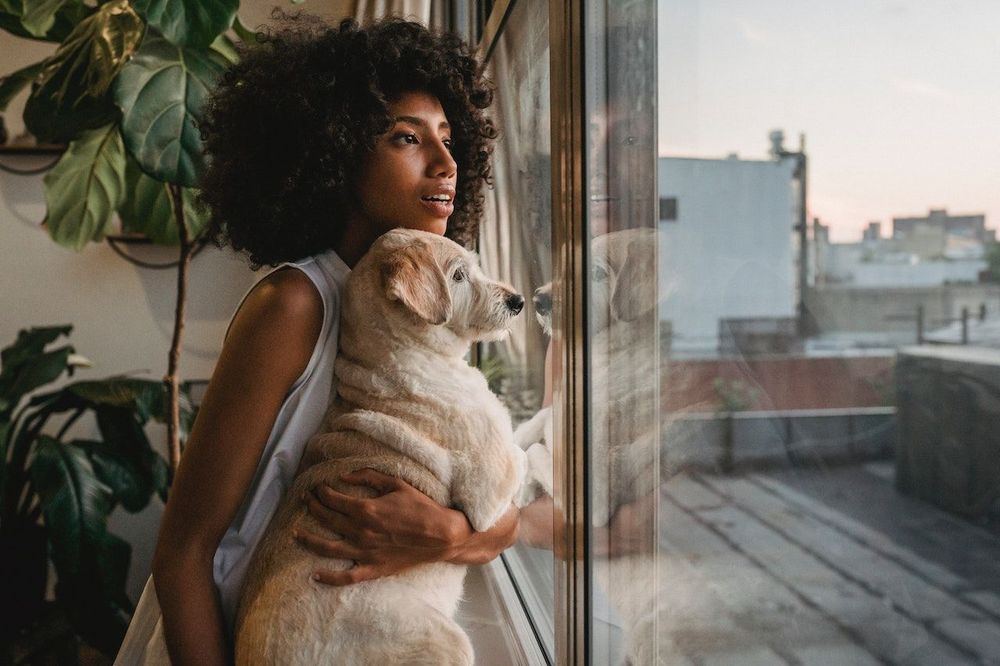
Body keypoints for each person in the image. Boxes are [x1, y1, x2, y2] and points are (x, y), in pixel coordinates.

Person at [114, 15, 518, 665]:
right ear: (336, 151)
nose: (446, 163)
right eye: (406, 139)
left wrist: (443, 535)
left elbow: (497, 511)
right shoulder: (295, 305)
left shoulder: (418, 319)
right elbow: (184, 552)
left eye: (449, 139)